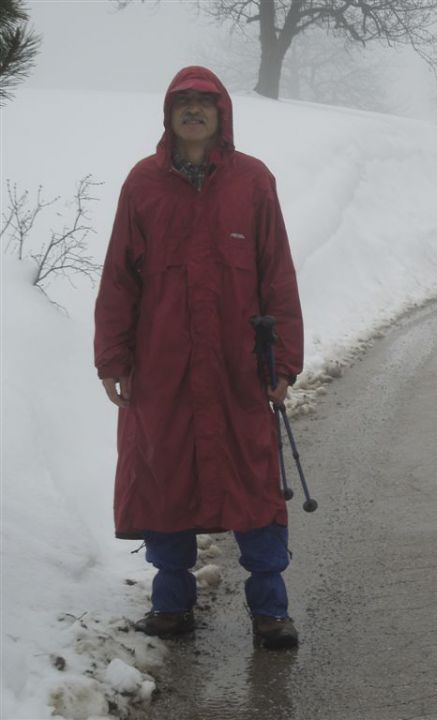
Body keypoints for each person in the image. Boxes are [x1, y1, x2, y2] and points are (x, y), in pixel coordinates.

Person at [94, 66, 304, 648]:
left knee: (255, 481)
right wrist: (112, 357)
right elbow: (119, 279)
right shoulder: (143, 184)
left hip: (240, 367)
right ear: (168, 113)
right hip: (162, 367)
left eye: (203, 102)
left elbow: (278, 275)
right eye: (182, 102)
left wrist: (283, 360)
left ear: (222, 112)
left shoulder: (253, 182)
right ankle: (171, 606)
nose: (193, 110)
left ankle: (270, 611)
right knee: (166, 477)